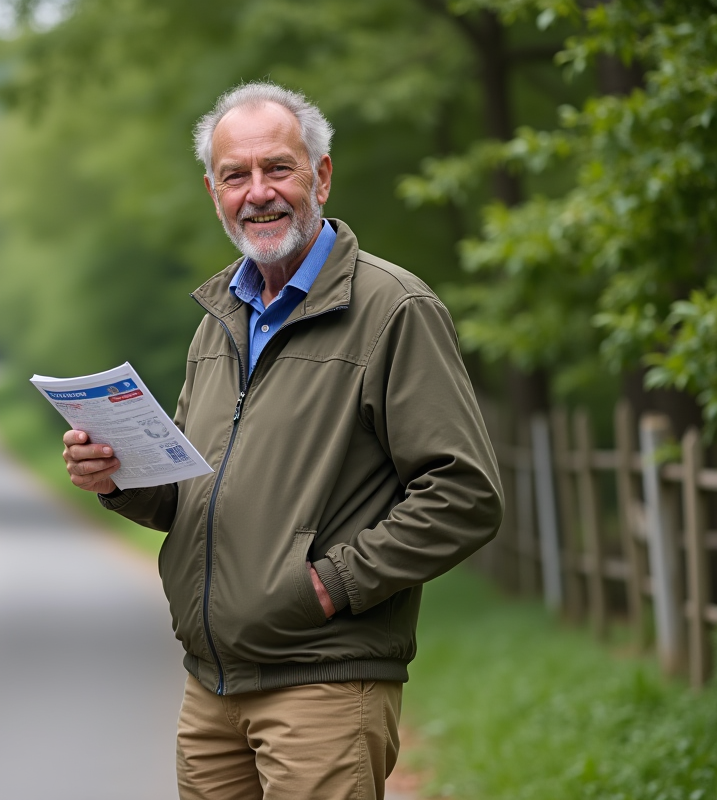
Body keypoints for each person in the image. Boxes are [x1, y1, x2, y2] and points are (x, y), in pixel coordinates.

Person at [61, 81, 503, 800]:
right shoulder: (220, 318)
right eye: (236, 175)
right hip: (211, 688)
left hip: (323, 682)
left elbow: (465, 495)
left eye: (278, 168)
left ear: (320, 176)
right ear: (214, 192)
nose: (258, 192)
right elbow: (191, 493)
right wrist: (116, 476)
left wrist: (330, 586)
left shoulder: (394, 309)